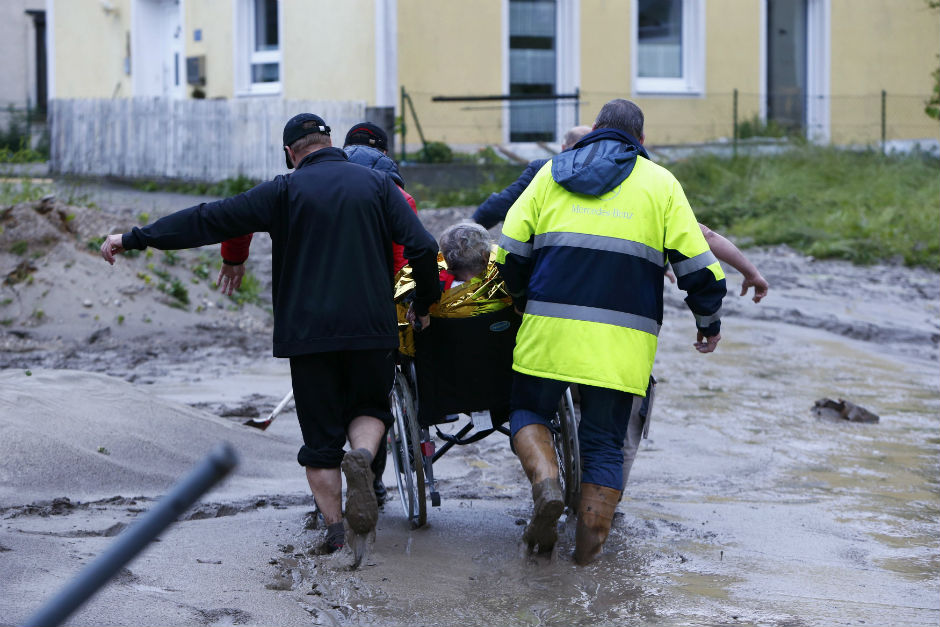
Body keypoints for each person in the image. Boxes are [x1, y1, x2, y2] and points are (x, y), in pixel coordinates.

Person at [99, 113, 441, 566]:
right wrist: (425, 301)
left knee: (320, 440)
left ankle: (338, 535)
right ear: (330, 142)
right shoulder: (379, 188)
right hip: (371, 329)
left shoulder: (282, 191)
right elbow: (421, 244)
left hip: (308, 335)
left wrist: (134, 238)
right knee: (369, 409)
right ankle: (361, 457)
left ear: (289, 152)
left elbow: (208, 219)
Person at [496, 99, 727, 565]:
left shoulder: (550, 173)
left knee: (526, 409)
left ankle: (546, 483)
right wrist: (708, 322)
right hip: (622, 346)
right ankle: (587, 559)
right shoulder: (661, 183)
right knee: (604, 441)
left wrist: (520, 298)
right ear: (641, 141)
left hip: (548, 332)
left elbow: (509, 253)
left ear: (596, 129)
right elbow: (698, 266)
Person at [216, 121, 417, 507]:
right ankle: (371, 475)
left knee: (323, 412)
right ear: (386, 153)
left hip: (312, 318)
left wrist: (234, 258)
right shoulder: (387, 188)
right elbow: (408, 252)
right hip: (376, 311)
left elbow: (235, 217)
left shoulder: (297, 185)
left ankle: (333, 525)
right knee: (372, 401)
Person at [473, 125, 592, 229]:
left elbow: (504, 203)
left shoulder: (542, 168)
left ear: (563, 147)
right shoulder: (607, 171)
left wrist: (469, 226)